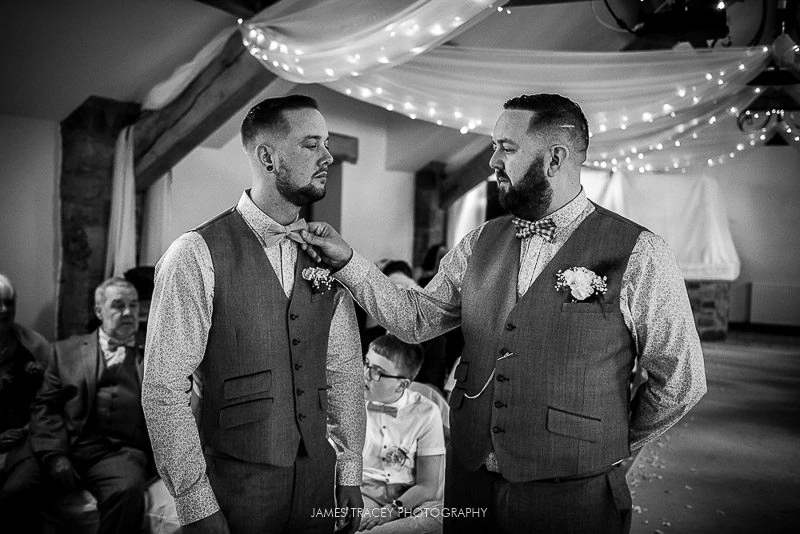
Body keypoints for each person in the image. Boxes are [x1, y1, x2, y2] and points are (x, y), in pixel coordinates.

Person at [301, 93, 707, 533]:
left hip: (570, 490)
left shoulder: (641, 253)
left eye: (507, 148)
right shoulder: (479, 242)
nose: (492, 161)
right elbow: (416, 319)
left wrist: (609, 440)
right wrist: (348, 262)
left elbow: (681, 380)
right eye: (494, 146)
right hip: (469, 478)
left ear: (555, 159)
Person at [142, 94, 365, 534]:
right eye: (311, 144)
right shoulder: (195, 253)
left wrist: (350, 471)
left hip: (319, 484)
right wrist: (194, 504)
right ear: (267, 156)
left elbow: (342, 370)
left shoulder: (328, 255)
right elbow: (164, 388)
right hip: (236, 489)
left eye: (326, 143)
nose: (328, 156)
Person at [0, 277, 149, 534]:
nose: (128, 313)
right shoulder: (65, 351)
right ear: (99, 311)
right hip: (65, 443)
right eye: (118, 305)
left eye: (134, 306)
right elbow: (45, 407)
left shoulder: (154, 352)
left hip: (116, 453)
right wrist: (54, 456)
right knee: (15, 492)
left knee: (127, 492)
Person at [360, 334, 445, 534]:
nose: (365, 374)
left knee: (443, 516)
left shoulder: (426, 411)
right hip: (365, 494)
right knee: (360, 519)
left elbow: (427, 486)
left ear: (403, 384)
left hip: (411, 497)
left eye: (378, 372)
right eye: (366, 363)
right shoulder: (351, 402)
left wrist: (393, 510)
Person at [0, 274, 51, 478]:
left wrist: (27, 429)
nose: (4, 310)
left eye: (9, 303)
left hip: (26, 439)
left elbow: (52, 398)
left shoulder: (35, 344)